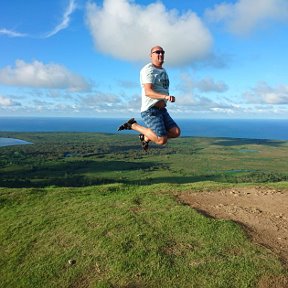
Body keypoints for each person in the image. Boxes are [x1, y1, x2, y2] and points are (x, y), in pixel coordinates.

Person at [118, 45, 180, 151]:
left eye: (162, 52)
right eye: (157, 52)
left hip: (162, 110)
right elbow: (148, 92)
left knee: (175, 132)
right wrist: (165, 96)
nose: (161, 54)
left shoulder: (163, 70)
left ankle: (146, 136)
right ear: (151, 55)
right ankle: (133, 125)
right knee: (161, 140)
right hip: (150, 110)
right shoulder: (148, 70)